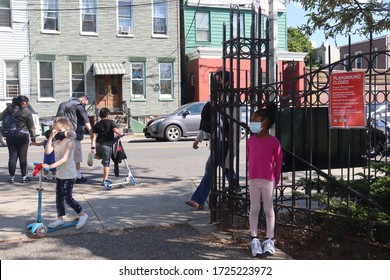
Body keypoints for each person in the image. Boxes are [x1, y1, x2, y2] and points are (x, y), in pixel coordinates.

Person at [185, 71, 236, 210]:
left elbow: (232, 120)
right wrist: (198, 139)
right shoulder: (215, 98)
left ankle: (198, 200)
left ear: (227, 82)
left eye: (220, 81)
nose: (217, 84)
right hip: (217, 139)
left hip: (225, 140)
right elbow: (208, 122)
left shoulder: (231, 97)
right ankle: (236, 190)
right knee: (226, 170)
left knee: (211, 170)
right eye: (216, 81)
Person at [247, 103, 282, 257]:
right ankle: (254, 239)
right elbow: (249, 158)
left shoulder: (274, 142)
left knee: (268, 209)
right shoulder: (251, 141)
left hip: (268, 180)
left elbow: (278, 163)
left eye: (255, 121)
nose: (252, 124)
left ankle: (269, 240)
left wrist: (277, 179)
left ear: (265, 123)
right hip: (253, 179)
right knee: (254, 208)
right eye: (252, 121)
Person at [42, 117, 88, 229]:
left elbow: (65, 158)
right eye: (54, 130)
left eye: (58, 130)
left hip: (69, 174)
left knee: (67, 197)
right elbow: (47, 151)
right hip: (60, 174)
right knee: (58, 197)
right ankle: (60, 218)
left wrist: (50, 166)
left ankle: (82, 214)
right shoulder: (55, 141)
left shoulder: (69, 142)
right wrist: (51, 138)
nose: (56, 132)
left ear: (65, 130)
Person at [56, 95, 92, 183]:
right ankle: (78, 176)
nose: (85, 106)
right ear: (84, 100)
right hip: (73, 134)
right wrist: (92, 132)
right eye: (86, 104)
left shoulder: (62, 104)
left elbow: (57, 119)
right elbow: (86, 120)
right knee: (76, 155)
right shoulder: (79, 106)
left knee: (63, 155)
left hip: (61, 134)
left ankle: (62, 175)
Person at [0, 95, 36, 183]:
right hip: (22, 135)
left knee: (12, 156)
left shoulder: (9, 109)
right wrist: (33, 137)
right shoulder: (26, 111)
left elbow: (0, 117)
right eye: (26, 102)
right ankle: (24, 177)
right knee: (23, 157)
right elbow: (31, 127)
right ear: (23, 103)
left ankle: (11, 177)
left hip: (10, 135)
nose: (27, 104)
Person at [90, 108, 124, 185]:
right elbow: (116, 131)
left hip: (98, 144)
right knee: (106, 163)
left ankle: (93, 156)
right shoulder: (111, 122)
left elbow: (94, 138)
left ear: (100, 115)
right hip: (107, 145)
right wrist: (121, 134)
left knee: (100, 156)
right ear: (108, 115)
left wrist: (92, 148)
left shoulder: (97, 124)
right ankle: (105, 180)